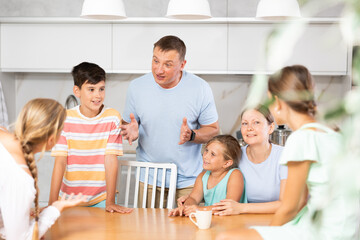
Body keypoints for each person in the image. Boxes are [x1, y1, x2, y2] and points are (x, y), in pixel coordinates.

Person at [217, 65, 359, 240]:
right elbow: (302, 201)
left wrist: (269, 233)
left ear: (277, 102)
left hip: (321, 233)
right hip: (344, 231)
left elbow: (291, 206)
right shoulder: (332, 133)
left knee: (225, 238)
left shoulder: (301, 138)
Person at [121, 35, 220, 207]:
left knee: (188, 232)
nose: (159, 70)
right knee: (147, 231)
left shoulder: (200, 88)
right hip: (149, 178)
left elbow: (213, 129)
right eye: (155, 61)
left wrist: (192, 135)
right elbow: (127, 124)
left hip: (188, 181)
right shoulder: (136, 87)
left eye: (168, 64)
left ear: (182, 65)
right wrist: (129, 131)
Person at [49, 62, 132, 214]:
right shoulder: (64, 119)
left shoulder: (112, 117)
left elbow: (111, 160)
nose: (97, 95)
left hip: (100, 199)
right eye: (91, 89)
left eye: (101, 89)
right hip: (68, 200)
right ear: (77, 91)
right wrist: (51, 204)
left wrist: (110, 201)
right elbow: (60, 162)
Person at [0, 98, 86, 240]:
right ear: (51, 140)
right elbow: (19, 238)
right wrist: (56, 209)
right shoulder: (21, 178)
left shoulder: (2, 133)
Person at [212, 106, 287, 215]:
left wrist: (241, 208)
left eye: (256, 122)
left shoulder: (284, 156)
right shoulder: (235, 156)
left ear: (270, 128)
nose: (249, 128)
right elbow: (211, 178)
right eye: (245, 123)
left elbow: (286, 204)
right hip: (244, 220)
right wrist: (193, 198)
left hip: (279, 220)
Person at [168, 135, 246, 216]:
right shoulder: (202, 176)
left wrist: (200, 210)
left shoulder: (235, 175)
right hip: (212, 221)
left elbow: (228, 206)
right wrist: (186, 208)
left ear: (227, 163)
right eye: (206, 150)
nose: (205, 156)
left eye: (213, 154)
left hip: (233, 223)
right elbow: (193, 198)